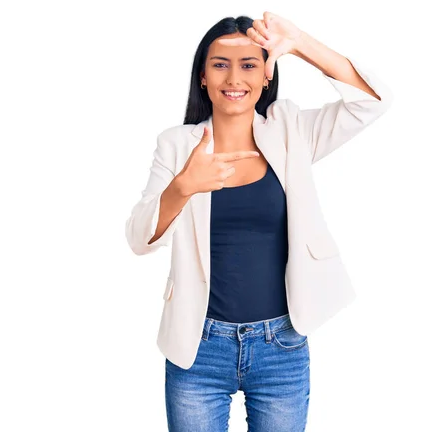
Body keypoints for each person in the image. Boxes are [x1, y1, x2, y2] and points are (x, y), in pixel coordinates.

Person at [125, 11, 393, 432]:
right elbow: (139, 239)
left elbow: (372, 100)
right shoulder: (176, 146)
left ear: (267, 75)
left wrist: (301, 42)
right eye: (220, 64)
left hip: (280, 347)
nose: (234, 78)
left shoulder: (291, 132)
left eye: (249, 64)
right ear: (202, 77)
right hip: (198, 347)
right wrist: (183, 186)